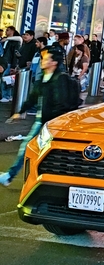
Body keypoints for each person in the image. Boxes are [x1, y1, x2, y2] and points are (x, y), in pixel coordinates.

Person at [0, 46, 81, 186]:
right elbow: (33, 98)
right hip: (42, 120)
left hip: (52, 123)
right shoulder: (44, 77)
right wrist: (20, 112)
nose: (43, 61)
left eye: (46, 59)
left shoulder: (60, 79)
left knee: (38, 149)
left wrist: (51, 122)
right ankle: (11, 176)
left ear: (54, 62)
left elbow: (61, 103)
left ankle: (58, 180)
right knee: (29, 147)